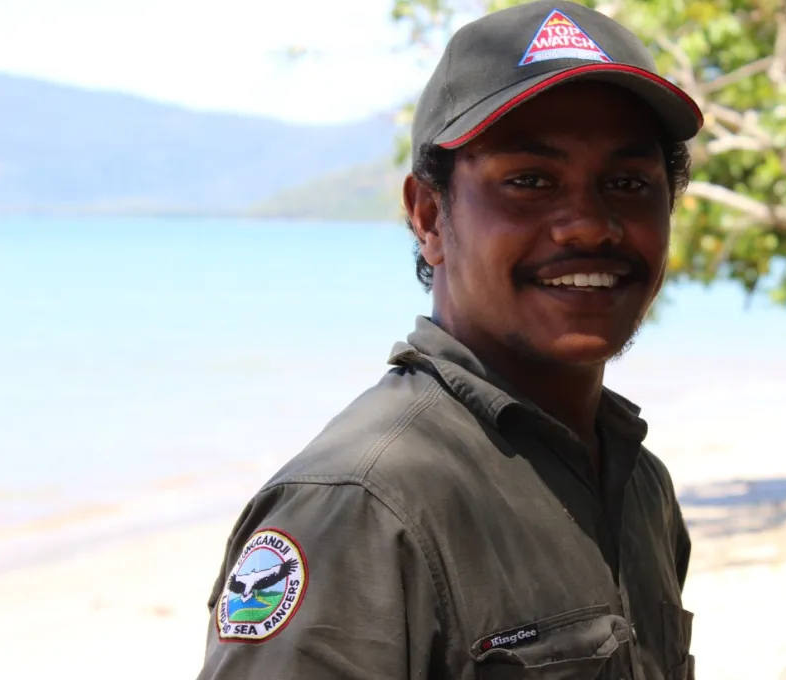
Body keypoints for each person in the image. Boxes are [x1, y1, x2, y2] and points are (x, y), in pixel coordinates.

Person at [195, 1, 703, 678]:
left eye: (627, 183)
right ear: (429, 215)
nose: (589, 226)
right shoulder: (361, 505)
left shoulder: (639, 484)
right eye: (530, 181)